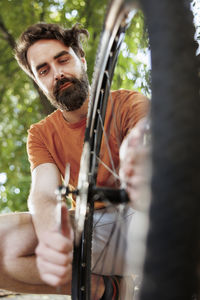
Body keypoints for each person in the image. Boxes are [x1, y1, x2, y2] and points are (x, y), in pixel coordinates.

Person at [0, 22, 149, 299]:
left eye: (62, 59)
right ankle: (107, 290)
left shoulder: (129, 103)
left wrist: (137, 159)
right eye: (43, 70)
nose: (57, 74)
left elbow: (141, 143)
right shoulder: (41, 134)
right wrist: (49, 237)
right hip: (92, 231)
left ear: (80, 58)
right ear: (38, 81)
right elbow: (43, 194)